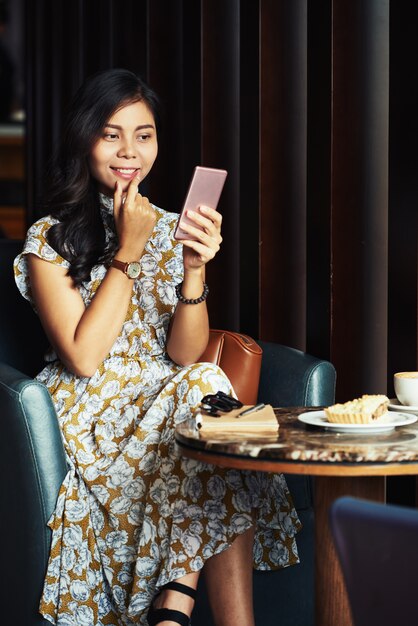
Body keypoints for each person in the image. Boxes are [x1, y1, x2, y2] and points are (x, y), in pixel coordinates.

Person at [14, 68, 301, 626]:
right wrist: (129, 249)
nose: (129, 151)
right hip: (86, 410)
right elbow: (84, 357)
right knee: (213, 422)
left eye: (143, 135)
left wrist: (193, 271)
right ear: (85, 139)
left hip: (163, 401)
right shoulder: (47, 239)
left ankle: (174, 611)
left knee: (205, 403)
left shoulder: (171, 228)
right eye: (111, 133)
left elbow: (185, 357)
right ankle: (183, 611)